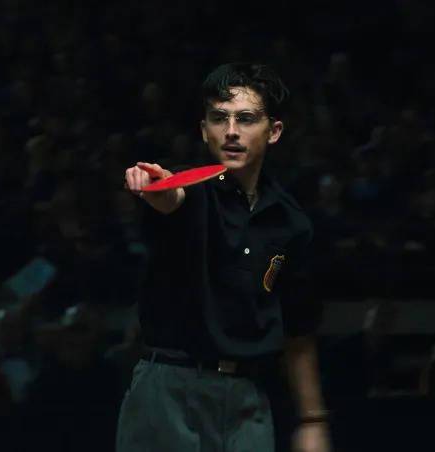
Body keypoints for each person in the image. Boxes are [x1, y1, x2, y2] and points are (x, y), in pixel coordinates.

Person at [119, 63, 330, 452]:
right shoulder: (189, 190)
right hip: (169, 390)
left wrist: (312, 420)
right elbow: (169, 199)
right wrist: (155, 188)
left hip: (248, 399)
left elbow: (298, 331)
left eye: (246, 119)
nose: (231, 131)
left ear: (274, 131)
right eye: (219, 118)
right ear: (205, 130)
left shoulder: (291, 222)